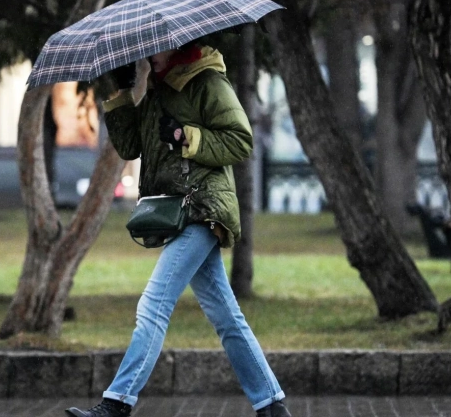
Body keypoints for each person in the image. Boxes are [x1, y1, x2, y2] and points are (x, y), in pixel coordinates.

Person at [64, 41, 291, 417]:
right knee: (225, 315)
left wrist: (187, 136)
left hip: (202, 206)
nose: (147, 55)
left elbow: (241, 140)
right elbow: (131, 146)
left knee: (153, 304)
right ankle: (271, 405)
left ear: (176, 46)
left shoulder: (206, 81)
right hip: (179, 209)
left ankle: (116, 404)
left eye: (155, 49)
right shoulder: (157, 85)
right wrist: (122, 94)